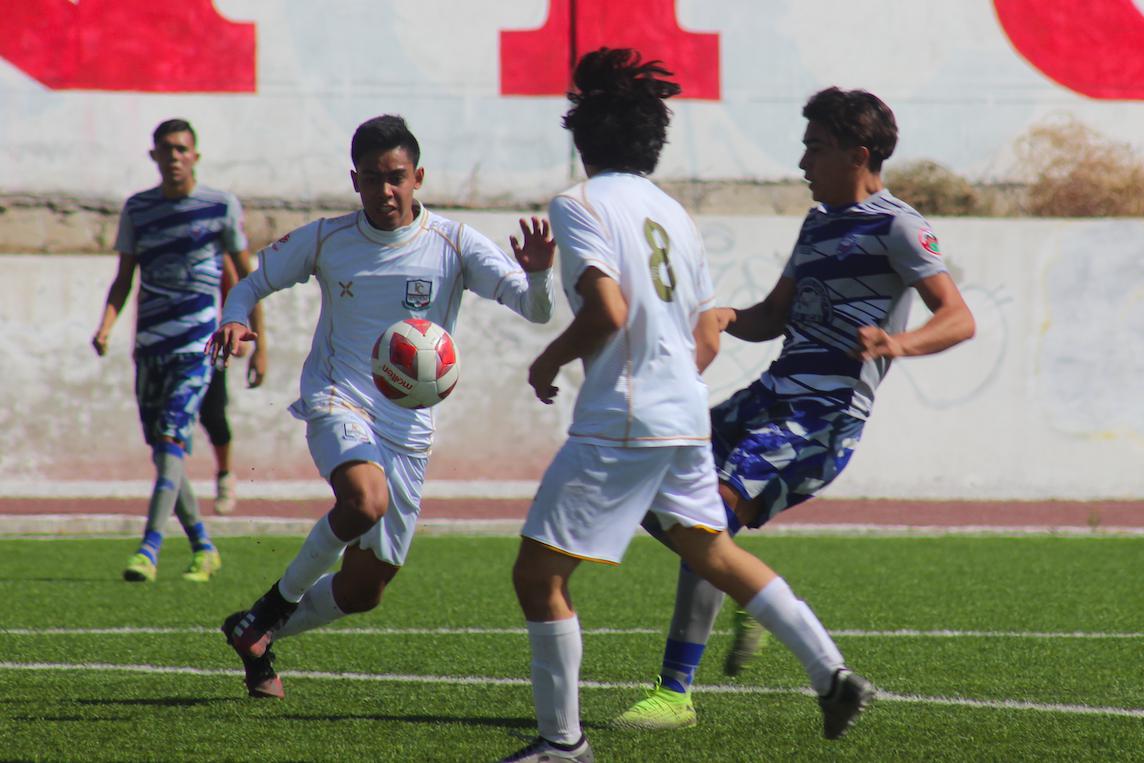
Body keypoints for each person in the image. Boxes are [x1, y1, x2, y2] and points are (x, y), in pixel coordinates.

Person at [500, 50, 878, 763]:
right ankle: (832, 674)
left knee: (538, 574)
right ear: (652, 141)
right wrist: (672, 377)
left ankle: (562, 743)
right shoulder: (674, 214)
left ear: (581, 138)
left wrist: (548, 358)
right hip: (684, 410)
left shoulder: (579, 204)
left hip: (625, 413)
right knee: (713, 551)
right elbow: (706, 330)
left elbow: (607, 309)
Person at [614, 86, 977, 731]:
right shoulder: (817, 223)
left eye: (815, 147)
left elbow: (958, 318)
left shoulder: (899, 226)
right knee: (647, 485)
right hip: (768, 397)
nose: (802, 161)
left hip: (820, 416)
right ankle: (747, 583)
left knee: (706, 520)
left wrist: (897, 342)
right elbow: (775, 317)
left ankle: (675, 693)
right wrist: (726, 315)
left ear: (858, 154)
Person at [208, 114, 555, 700]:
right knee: (364, 502)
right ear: (355, 180)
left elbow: (536, 309)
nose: (386, 191)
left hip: (409, 429)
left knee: (366, 589)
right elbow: (250, 282)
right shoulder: (327, 239)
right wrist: (235, 318)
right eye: (373, 178)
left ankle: (253, 633)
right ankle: (269, 611)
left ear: (418, 176)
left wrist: (541, 274)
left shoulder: (454, 244)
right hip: (338, 399)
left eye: (397, 177)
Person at [93, 118, 265, 584]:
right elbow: (124, 277)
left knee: (171, 442)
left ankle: (149, 547)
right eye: (166, 149)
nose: (174, 157)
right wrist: (107, 326)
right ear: (154, 156)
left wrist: (259, 343)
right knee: (164, 452)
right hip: (149, 348)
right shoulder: (139, 209)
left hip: (198, 348)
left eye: (182, 149)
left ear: (195, 155)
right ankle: (204, 548)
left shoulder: (219, 207)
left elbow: (247, 280)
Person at [198, 255, 267, 515]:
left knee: (213, 415)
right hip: (173, 342)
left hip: (207, 342)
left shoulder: (219, 248)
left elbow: (238, 285)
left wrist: (235, 328)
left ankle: (225, 476)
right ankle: (170, 483)